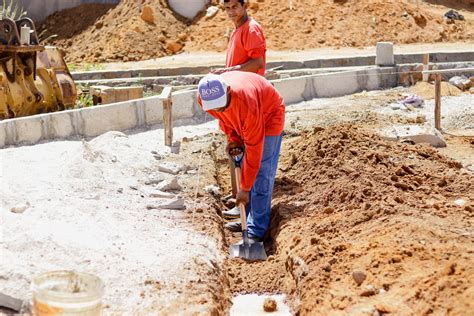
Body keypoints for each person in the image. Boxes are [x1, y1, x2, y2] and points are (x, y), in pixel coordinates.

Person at [197, 72, 285, 242]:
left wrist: (243, 189)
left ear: (228, 90)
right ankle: (247, 216)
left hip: (269, 115)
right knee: (246, 168)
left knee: (261, 171)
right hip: (246, 116)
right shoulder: (205, 98)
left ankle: (256, 229)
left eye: (221, 104)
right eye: (213, 106)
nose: (217, 109)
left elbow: (255, 150)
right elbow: (224, 118)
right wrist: (233, 138)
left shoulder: (247, 102)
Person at [212, 0, 266, 76]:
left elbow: (258, 63)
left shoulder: (250, 29)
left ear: (244, 6)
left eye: (234, 7)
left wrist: (227, 71)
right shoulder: (237, 29)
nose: (231, 12)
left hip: (249, 86)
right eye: (227, 8)